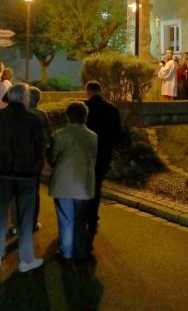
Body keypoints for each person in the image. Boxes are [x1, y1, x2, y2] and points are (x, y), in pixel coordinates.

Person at [0, 83, 45, 272]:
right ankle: (25, 260)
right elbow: (40, 148)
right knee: (26, 217)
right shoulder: (33, 120)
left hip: (2, 172)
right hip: (27, 175)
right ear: (23, 98)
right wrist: (38, 168)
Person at [49, 101, 97, 261]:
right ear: (85, 117)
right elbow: (94, 159)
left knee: (66, 220)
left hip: (63, 183)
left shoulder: (60, 135)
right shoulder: (92, 136)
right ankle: (81, 252)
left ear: (68, 116)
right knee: (80, 221)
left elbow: (53, 157)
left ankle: (66, 253)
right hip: (84, 183)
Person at [84, 81, 121, 252]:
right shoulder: (112, 108)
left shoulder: (84, 107)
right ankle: (92, 218)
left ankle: (82, 216)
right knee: (97, 185)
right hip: (103, 152)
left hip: (85, 154)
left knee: (83, 184)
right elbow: (117, 132)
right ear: (101, 91)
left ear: (88, 91)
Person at [28, 86, 51, 231]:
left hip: (21, 156)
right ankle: (33, 221)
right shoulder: (42, 114)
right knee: (34, 190)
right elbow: (48, 136)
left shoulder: (22, 113)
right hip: (37, 157)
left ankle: (19, 220)